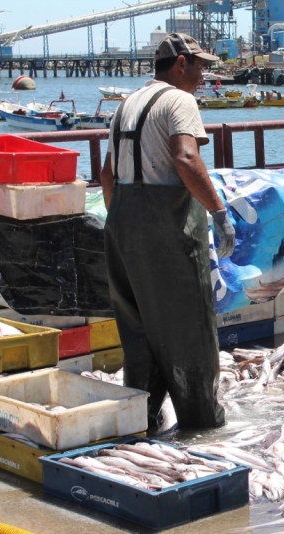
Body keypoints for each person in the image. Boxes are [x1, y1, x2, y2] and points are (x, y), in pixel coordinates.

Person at [100, 33, 236, 431]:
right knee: (189, 327)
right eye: (200, 65)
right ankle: (202, 425)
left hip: (122, 223)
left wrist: (125, 224)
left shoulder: (125, 103)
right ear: (181, 63)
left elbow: (108, 175)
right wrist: (219, 211)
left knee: (139, 330)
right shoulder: (179, 100)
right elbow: (186, 157)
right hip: (168, 224)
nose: (203, 73)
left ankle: (140, 420)